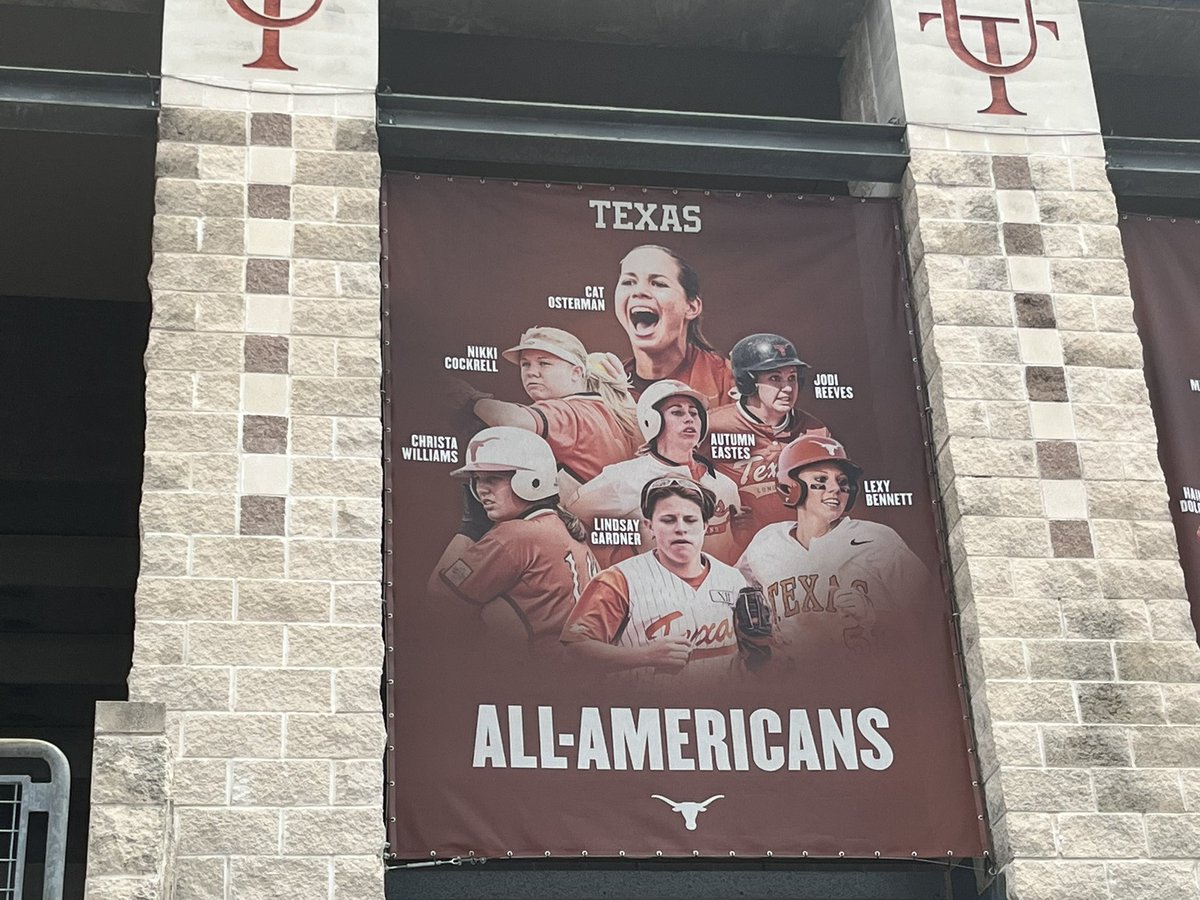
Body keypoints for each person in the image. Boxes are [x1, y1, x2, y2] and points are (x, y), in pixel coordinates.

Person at [735, 435, 929, 662]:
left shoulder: (878, 540)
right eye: (821, 480)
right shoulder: (767, 541)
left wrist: (875, 617)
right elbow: (727, 593)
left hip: (868, 679)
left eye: (843, 482)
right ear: (791, 487)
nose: (835, 489)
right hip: (792, 684)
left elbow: (931, 614)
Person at [427, 426, 598, 657]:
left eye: (493, 479)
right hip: (574, 676)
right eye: (477, 480)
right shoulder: (565, 527)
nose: (480, 490)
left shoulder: (516, 535)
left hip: (536, 678)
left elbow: (439, 599)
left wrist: (471, 526)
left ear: (533, 479)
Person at [561, 476, 748, 683]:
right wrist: (644, 656)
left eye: (690, 520)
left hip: (716, 711)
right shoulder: (619, 580)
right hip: (648, 710)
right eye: (668, 520)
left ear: (705, 526)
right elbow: (574, 650)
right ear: (649, 525)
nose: (680, 528)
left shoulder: (733, 579)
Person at [565, 379, 741, 566]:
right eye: (677, 412)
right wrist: (628, 543)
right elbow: (573, 515)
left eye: (694, 413)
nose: (689, 419)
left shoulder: (724, 484)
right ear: (652, 420)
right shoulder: (624, 477)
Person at [451, 326, 640, 486]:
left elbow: (510, 419)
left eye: (544, 363)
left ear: (576, 372)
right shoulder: (610, 411)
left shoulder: (570, 411)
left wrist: (471, 399)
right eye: (525, 364)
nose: (532, 372)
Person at [707, 333, 830, 535]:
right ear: (747, 382)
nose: (788, 388)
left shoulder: (815, 432)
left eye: (792, 378)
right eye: (775, 378)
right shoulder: (712, 426)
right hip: (734, 551)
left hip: (799, 545)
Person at [614, 244, 734, 409]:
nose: (639, 291)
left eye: (658, 283)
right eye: (628, 282)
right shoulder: (605, 386)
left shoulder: (728, 380)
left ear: (691, 307)